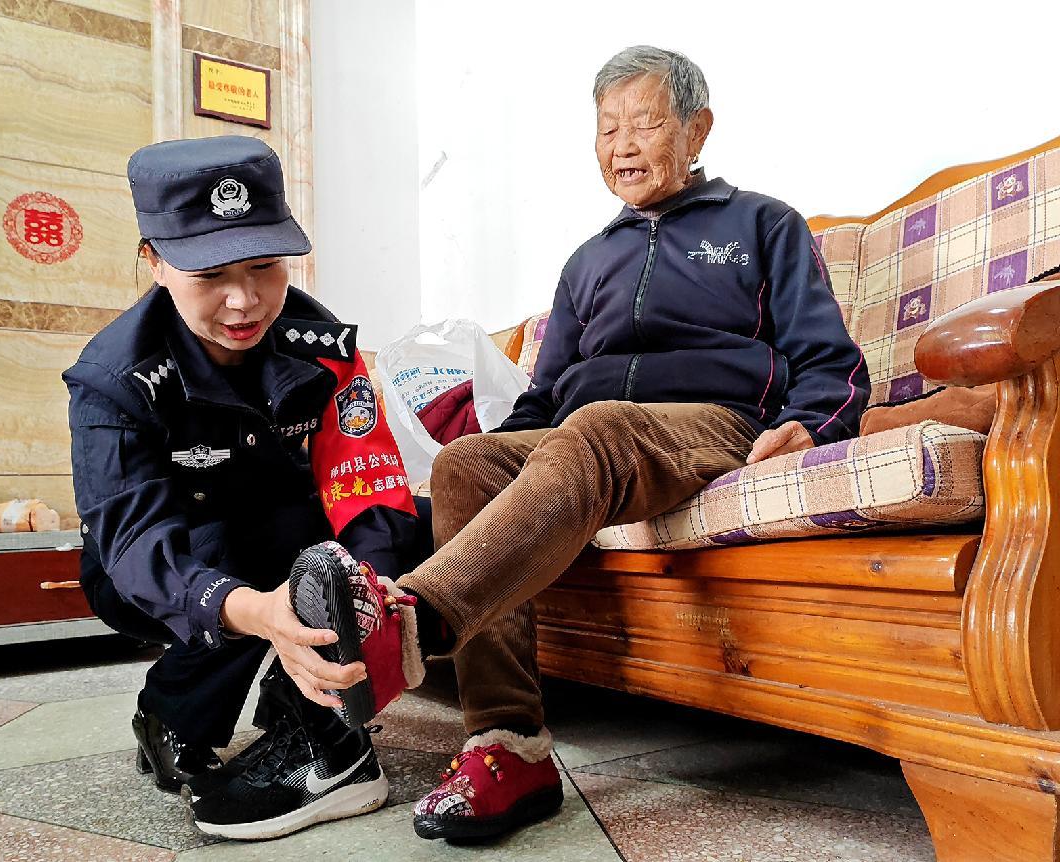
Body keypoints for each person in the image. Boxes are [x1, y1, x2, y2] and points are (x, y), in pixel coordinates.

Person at [283, 45, 871, 843]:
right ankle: (508, 746)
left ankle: (418, 622)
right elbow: (542, 396)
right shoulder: (588, 261)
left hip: (715, 423)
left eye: (645, 123)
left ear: (697, 130)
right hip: (592, 440)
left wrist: (815, 423)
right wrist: (501, 465)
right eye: (607, 129)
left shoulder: (764, 225)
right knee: (465, 462)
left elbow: (831, 359)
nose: (623, 146)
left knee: (594, 426)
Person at [63, 135, 432, 840]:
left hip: (290, 533)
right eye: (210, 275)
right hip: (163, 566)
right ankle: (172, 713)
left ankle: (312, 723)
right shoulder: (114, 379)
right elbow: (134, 545)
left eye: (265, 266)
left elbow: (365, 480)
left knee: (424, 528)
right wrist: (258, 611)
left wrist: (370, 593)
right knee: (260, 553)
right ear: (154, 261)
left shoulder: (319, 346)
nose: (245, 300)